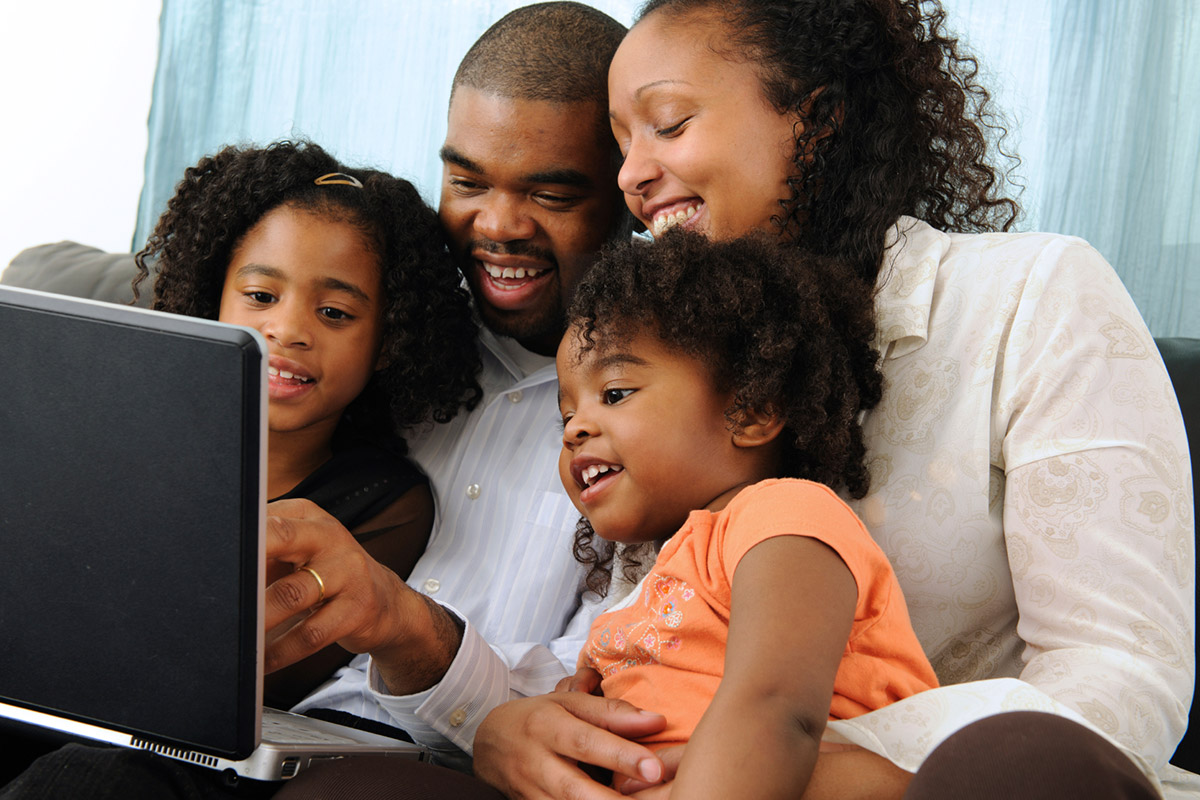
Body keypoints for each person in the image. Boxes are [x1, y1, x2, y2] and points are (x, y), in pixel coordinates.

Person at [472, 1, 1196, 798]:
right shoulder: (666, 377)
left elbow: (1124, 677)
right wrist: (515, 727)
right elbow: (645, 657)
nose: (630, 175)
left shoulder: (1033, 295)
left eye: (669, 124)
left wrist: (793, 761)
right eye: (621, 144)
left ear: (818, 120)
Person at [555, 229, 939, 797]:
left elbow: (777, 709)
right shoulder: (651, 581)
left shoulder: (785, 518)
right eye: (563, 414)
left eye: (614, 393)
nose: (574, 428)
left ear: (751, 411)